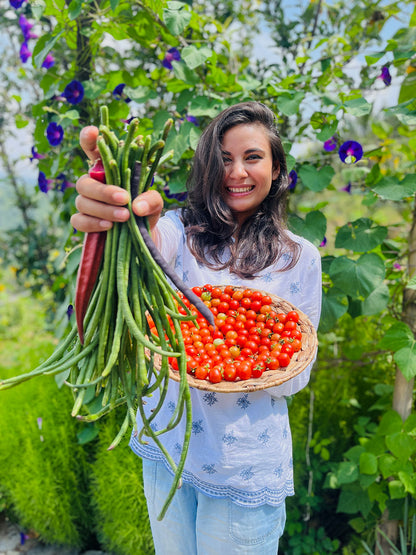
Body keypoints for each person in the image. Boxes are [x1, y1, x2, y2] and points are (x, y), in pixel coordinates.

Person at [71, 101, 322, 554]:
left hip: (244, 463)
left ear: (277, 167)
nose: (237, 172)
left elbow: (295, 375)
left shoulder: (299, 257)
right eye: (223, 159)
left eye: (252, 157)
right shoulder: (177, 232)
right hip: (168, 447)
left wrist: (244, 361)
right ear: (207, 167)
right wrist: (118, 218)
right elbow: (141, 251)